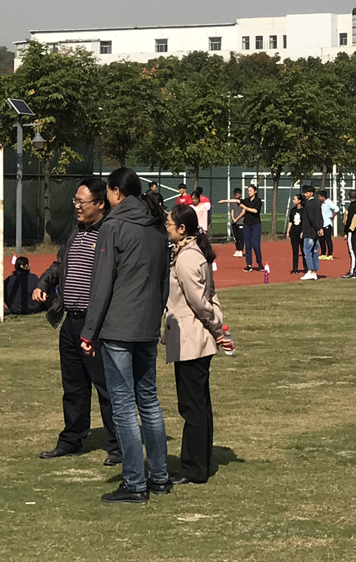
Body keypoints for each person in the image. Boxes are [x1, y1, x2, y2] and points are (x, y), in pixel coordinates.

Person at [80, 167, 170, 504]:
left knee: (123, 405)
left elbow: (101, 282)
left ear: (116, 192)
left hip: (118, 325)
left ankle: (135, 482)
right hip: (146, 324)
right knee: (149, 400)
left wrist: (89, 331)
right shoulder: (157, 225)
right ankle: (159, 476)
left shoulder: (113, 226)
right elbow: (163, 281)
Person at [33, 179, 121, 466]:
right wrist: (44, 282)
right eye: (75, 201)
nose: (77, 206)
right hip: (70, 323)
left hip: (95, 325)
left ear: (100, 204)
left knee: (106, 388)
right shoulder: (76, 233)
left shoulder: (109, 233)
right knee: (73, 387)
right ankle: (71, 439)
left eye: (82, 202)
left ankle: (118, 445)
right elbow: (60, 264)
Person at [162, 205, 232, 485]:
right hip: (192, 338)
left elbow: (200, 302)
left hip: (192, 339)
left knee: (192, 406)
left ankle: (194, 467)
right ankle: (199, 462)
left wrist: (216, 327)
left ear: (182, 229)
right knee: (198, 405)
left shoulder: (187, 258)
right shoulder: (188, 253)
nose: (166, 227)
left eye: (169, 223)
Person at [300, 185, 324, 281]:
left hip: (310, 231)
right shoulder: (317, 203)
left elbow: (311, 218)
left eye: (306, 193)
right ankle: (314, 272)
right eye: (304, 193)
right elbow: (321, 217)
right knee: (315, 251)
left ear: (311, 193)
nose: (305, 194)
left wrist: (317, 228)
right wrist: (320, 228)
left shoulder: (308, 204)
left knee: (307, 251)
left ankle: (310, 270)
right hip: (316, 232)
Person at [240, 184, 263, 272]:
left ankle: (259, 263)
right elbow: (237, 201)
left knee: (256, 245)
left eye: (250, 190)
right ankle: (249, 265)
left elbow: (255, 211)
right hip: (246, 224)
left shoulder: (258, 201)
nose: (249, 192)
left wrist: (245, 208)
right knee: (248, 245)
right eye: (248, 190)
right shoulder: (246, 200)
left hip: (256, 224)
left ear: (255, 191)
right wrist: (224, 201)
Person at [342, 190, 356, 279]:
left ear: (348, 197)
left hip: (352, 232)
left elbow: (349, 221)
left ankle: (352, 271)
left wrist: (346, 231)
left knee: (352, 252)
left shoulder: (352, 207)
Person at [218, 188, 244, 257]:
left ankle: (241, 250)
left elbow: (243, 211)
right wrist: (233, 218)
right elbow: (232, 211)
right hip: (234, 222)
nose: (236, 196)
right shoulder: (233, 203)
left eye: (237, 195)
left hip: (241, 222)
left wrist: (237, 218)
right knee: (236, 237)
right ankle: (237, 250)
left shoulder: (243, 201)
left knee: (241, 237)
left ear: (240, 194)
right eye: (235, 195)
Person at [286, 194, 307, 274]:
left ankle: (306, 267)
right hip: (294, 233)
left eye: (295, 199)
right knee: (295, 251)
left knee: (304, 251)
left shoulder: (304, 210)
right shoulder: (293, 210)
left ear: (299, 201)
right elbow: (290, 221)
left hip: (301, 233)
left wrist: (303, 231)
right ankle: (295, 268)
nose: (293, 201)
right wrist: (288, 231)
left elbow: (305, 222)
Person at [318, 190, 339, 260]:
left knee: (328, 239)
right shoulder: (323, 203)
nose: (319, 198)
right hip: (322, 224)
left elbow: (337, 208)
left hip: (327, 223)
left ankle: (330, 254)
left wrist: (333, 216)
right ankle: (323, 253)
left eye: (319, 196)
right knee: (321, 239)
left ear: (323, 197)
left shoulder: (328, 202)